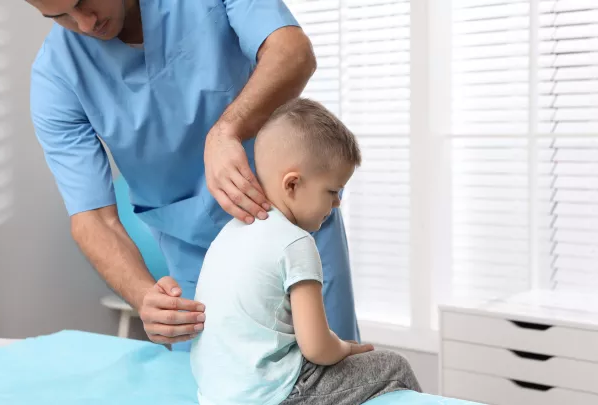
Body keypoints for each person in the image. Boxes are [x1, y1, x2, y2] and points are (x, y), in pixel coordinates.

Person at [26, 0, 360, 348]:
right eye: (59, 16)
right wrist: (145, 298)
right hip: (194, 253)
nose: (84, 22)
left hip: (294, 223)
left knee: (334, 377)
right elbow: (93, 218)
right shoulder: (56, 75)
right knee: (214, 383)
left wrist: (226, 130)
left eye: (83, 1)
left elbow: (292, 53)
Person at [190, 98, 421, 405]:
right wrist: (345, 348)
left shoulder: (230, 232)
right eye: (333, 191)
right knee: (394, 369)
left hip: (216, 394)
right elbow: (316, 348)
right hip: (274, 395)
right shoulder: (295, 242)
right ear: (293, 185)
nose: (338, 203)